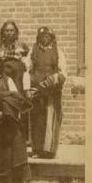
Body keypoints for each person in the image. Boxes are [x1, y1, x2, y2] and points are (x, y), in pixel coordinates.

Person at [28, 27, 67, 158]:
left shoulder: (58, 52)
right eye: (42, 36)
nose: (45, 38)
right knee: (37, 120)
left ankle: (49, 151)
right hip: (37, 91)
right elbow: (27, 69)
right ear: (38, 38)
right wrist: (32, 86)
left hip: (52, 92)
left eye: (47, 36)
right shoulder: (32, 51)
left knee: (51, 119)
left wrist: (52, 80)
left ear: (51, 38)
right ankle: (37, 149)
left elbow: (63, 72)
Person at [0, 20, 31, 143]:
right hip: (4, 80)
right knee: (4, 105)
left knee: (18, 103)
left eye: (11, 30)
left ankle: (21, 138)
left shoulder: (23, 46)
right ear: (3, 32)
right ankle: (4, 137)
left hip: (18, 79)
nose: (9, 33)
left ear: (16, 32)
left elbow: (27, 66)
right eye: (6, 30)